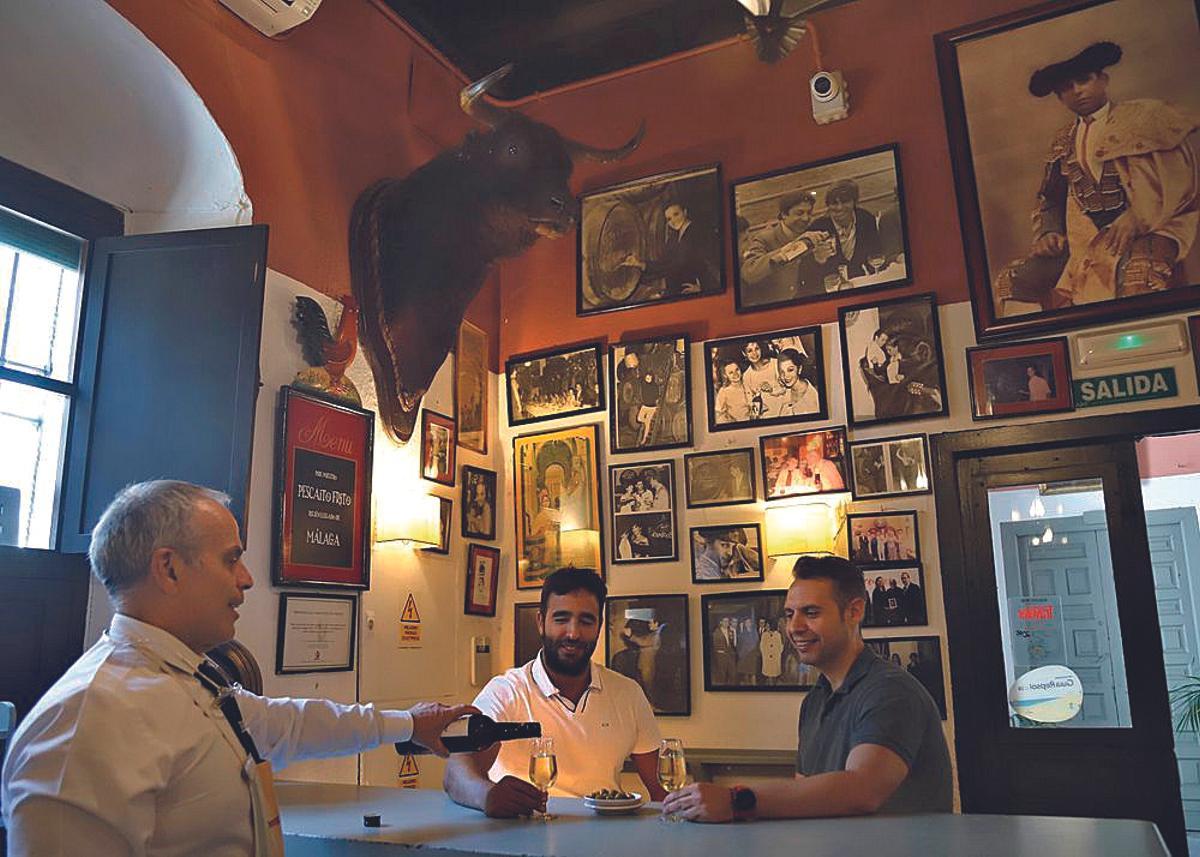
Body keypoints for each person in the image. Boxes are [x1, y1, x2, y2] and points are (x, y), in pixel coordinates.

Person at [1, 480, 474, 855]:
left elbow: (286, 724)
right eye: (232, 559)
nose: (246, 579)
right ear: (169, 568)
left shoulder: (186, 679)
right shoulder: (89, 719)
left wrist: (410, 724)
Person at [663, 555, 952, 822]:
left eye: (811, 613)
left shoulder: (890, 690)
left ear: (854, 611)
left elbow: (862, 790)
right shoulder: (815, 700)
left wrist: (736, 800)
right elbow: (806, 794)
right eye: (789, 614)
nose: (794, 627)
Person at [444, 568, 665, 816]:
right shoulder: (507, 691)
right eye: (561, 619)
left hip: (607, 834)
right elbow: (456, 772)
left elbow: (661, 790)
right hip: (524, 832)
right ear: (541, 622)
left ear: (599, 626)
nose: (573, 633)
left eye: (586, 621)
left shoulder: (628, 693)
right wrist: (487, 795)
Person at [996, 41, 1199, 311]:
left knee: (1138, 276)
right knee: (1012, 282)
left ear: (1103, 80)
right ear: (1060, 97)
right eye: (1066, 87)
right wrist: (1050, 231)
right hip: (1085, 238)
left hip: (1151, 226)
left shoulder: (1145, 119)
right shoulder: (1063, 140)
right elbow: (1051, 196)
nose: (1077, 91)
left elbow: (1179, 183)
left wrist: (1136, 217)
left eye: (1084, 80)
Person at [739, 190, 832, 304]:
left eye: (809, 213)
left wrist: (819, 260)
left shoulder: (811, 235)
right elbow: (749, 273)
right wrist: (795, 247)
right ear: (784, 214)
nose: (805, 218)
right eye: (799, 213)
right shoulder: (764, 239)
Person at [623, 202, 720, 299]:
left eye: (676, 214)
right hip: (679, 291)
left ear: (685, 212)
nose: (673, 220)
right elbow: (665, 264)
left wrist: (703, 288)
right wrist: (639, 263)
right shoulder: (674, 238)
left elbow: (711, 262)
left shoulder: (699, 231)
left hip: (698, 293)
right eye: (669, 219)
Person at [807, 179, 884, 284]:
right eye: (834, 203)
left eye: (845, 201)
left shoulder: (866, 219)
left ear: (854, 202)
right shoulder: (817, 227)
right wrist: (818, 260)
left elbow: (876, 253)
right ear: (828, 205)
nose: (839, 207)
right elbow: (809, 274)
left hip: (863, 280)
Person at [764, 348, 820, 418]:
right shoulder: (786, 388)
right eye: (782, 372)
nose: (786, 376)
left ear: (799, 369)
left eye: (790, 370)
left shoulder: (812, 398)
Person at [693, 527, 759, 581]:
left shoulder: (721, 563)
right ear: (709, 543)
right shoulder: (703, 573)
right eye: (724, 545)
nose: (730, 553)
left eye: (733, 547)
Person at [713, 360, 752, 424]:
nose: (735, 374)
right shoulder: (724, 391)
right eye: (731, 372)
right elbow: (719, 413)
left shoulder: (747, 385)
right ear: (725, 375)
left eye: (737, 370)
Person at [711, 616, 738, 685]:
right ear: (721, 622)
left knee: (733, 674)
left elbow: (734, 644)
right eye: (725, 621)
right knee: (722, 674)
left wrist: (734, 632)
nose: (726, 623)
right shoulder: (716, 632)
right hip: (721, 656)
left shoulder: (731, 631)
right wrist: (720, 651)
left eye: (728, 621)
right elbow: (715, 645)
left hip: (730, 656)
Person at [760, 619, 785, 686]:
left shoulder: (778, 635)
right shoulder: (764, 635)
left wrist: (777, 653)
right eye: (766, 626)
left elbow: (781, 646)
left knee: (774, 673)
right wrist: (765, 654)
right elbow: (762, 646)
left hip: (776, 657)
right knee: (768, 673)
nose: (767, 627)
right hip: (767, 658)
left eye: (768, 626)